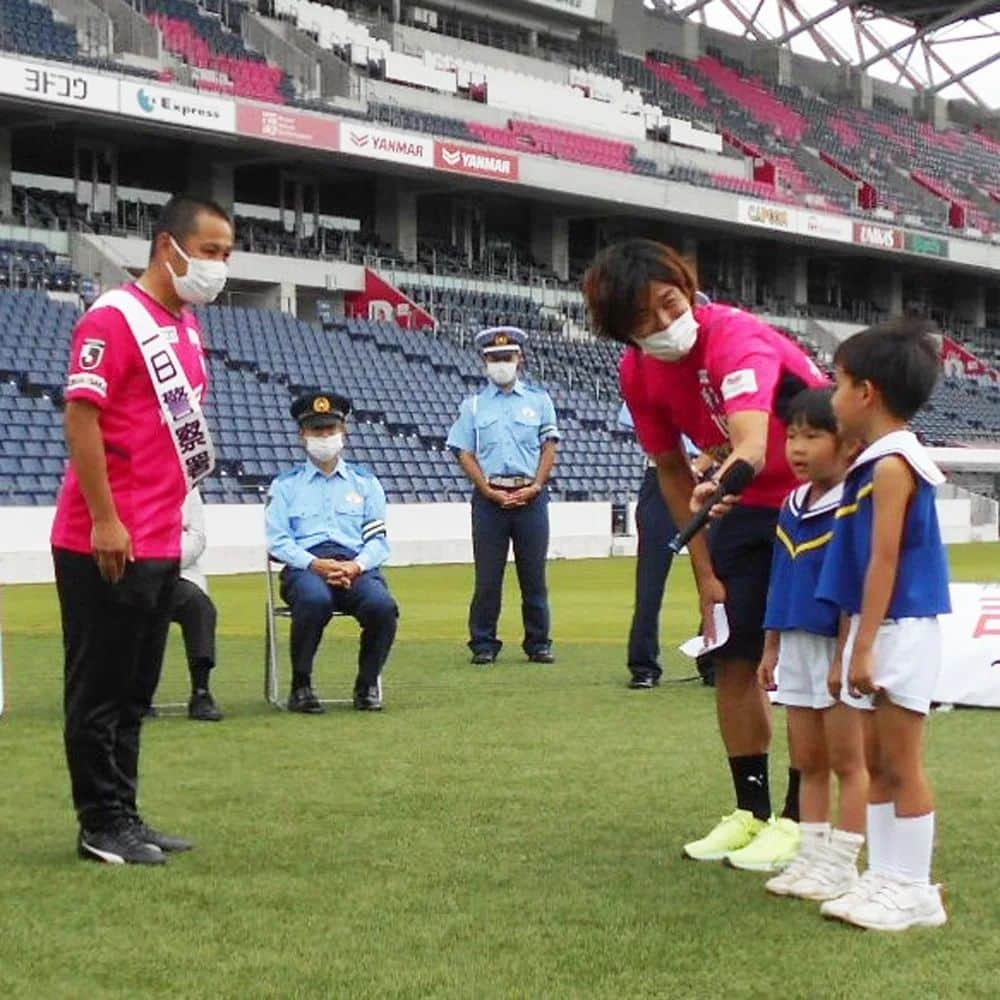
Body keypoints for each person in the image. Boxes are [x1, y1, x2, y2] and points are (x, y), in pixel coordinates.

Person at [583, 238, 826, 871]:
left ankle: (801, 821)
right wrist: (705, 575)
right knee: (733, 659)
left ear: (688, 289)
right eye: (645, 322)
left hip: (818, 501)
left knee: (798, 662)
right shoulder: (638, 372)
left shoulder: (735, 337)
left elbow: (749, 443)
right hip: (742, 508)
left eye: (671, 304)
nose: (666, 326)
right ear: (621, 333)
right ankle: (751, 813)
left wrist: (724, 480)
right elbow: (668, 470)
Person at [51, 194, 233, 865]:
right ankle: (98, 821)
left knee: (135, 690)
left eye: (225, 255)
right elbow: (82, 415)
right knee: (98, 688)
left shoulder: (183, 326)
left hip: (160, 540)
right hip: (105, 537)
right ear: (168, 246)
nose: (217, 266)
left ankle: (124, 811)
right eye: (209, 251)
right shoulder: (115, 319)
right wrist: (104, 517)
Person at [816, 318, 951, 931]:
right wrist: (852, 645)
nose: (831, 393)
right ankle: (884, 878)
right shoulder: (870, 462)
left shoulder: (895, 463)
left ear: (866, 392)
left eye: (837, 382)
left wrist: (862, 647)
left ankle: (915, 888)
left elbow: (885, 561)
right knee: (874, 758)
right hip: (876, 629)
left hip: (901, 627)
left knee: (900, 761)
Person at [756, 388, 868, 897]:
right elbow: (780, 578)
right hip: (795, 642)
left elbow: (857, 588)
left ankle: (844, 862)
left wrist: (846, 655)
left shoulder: (855, 502)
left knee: (849, 761)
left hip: (835, 646)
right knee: (807, 760)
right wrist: (770, 648)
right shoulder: (791, 504)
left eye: (812, 436)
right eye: (791, 436)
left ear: (846, 443)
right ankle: (811, 856)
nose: (797, 448)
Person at [265, 392, 398, 713]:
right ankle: (301, 685)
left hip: (355, 567)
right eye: (316, 431)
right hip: (306, 568)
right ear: (302, 435)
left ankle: (366, 685)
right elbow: (278, 541)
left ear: (344, 432)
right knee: (313, 601)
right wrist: (315, 564)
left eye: (330, 430)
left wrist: (355, 566)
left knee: (383, 607)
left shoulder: (366, 484)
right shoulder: (285, 486)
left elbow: (379, 542)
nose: (324, 437)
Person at [446, 327, 560, 665]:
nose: (500, 364)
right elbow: (463, 451)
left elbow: (549, 446)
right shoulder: (474, 406)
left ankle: (538, 642)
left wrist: (536, 485)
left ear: (519, 359)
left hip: (531, 496)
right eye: (494, 358)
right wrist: (486, 489)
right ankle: (483, 642)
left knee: (534, 576)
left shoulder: (539, 400)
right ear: (484, 361)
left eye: (506, 357)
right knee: (487, 577)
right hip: (489, 498)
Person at [618, 403, 713, 689]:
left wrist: (697, 467)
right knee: (650, 581)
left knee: (711, 577)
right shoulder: (646, 389)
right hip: (661, 476)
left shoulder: (708, 388)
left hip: (705, 478)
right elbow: (648, 436)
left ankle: (714, 659)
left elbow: (725, 438)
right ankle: (643, 665)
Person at [169, 489, 223, 722]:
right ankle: (135, 692)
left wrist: (166, 559)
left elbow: (197, 537)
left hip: (179, 573)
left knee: (200, 607)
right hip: (135, 573)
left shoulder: (188, 487)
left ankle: (201, 692)